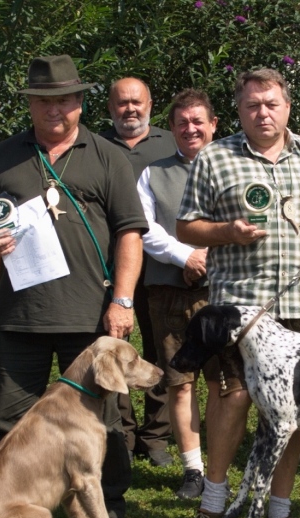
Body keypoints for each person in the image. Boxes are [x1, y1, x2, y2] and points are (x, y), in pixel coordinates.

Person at [0, 55, 147, 518]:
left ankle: (109, 509)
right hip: (16, 316)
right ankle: (3, 508)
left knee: (105, 421)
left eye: (64, 99)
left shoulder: (107, 155)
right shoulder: (4, 156)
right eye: (44, 100)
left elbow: (130, 233)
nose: (55, 109)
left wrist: (122, 301)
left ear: (81, 101)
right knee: (9, 422)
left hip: (89, 319)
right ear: (31, 104)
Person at [176, 68, 300, 518]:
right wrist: (226, 233)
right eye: (253, 105)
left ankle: (280, 511)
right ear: (240, 111)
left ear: (287, 107)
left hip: (299, 305)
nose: (263, 113)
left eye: (271, 104)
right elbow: (186, 227)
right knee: (232, 399)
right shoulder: (215, 157)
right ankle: (211, 512)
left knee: (290, 410)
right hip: (239, 311)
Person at [135, 88, 219, 499]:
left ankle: (220, 467)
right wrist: (186, 255)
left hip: (223, 290)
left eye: (198, 121)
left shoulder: (232, 168)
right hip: (169, 291)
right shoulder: (152, 173)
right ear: (171, 128)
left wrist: (211, 256)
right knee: (179, 381)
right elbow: (145, 228)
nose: (191, 129)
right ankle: (193, 471)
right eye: (182, 122)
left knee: (224, 381)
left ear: (213, 125)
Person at [101, 76, 179, 466]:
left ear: (150, 103)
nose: (129, 109)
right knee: (115, 349)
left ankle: (157, 435)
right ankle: (122, 432)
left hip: (162, 268)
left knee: (161, 350)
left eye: (137, 102)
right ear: (110, 107)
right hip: (111, 268)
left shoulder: (171, 143)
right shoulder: (96, 146)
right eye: (121, 103)